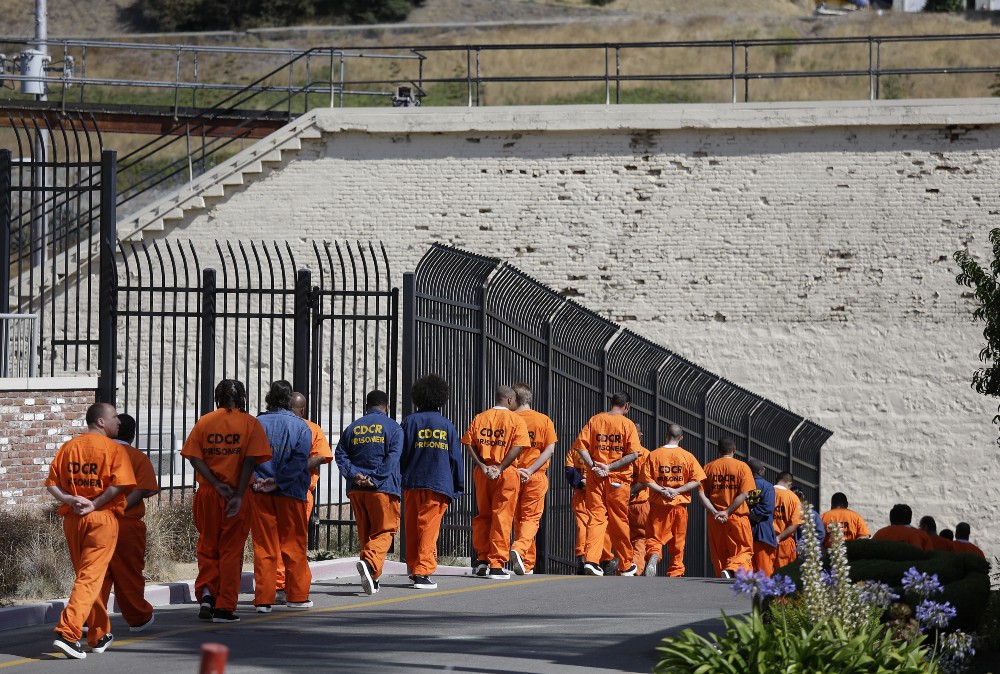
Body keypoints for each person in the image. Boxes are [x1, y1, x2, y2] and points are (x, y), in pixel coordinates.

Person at [45, 402, 136, 659]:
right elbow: (121, 485)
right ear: (100, 422)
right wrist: (95, 502)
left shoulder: (69, 447)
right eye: (115, 417)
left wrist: (71, 499)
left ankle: (98, 634)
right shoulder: (113, 449)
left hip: (74, 519)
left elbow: (52, 484)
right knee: (90, 578)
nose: (119, 421)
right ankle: (68, 632)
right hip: (101, 519)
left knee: (87, 577)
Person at [182, 379, 272, 623]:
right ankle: (224, 607)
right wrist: (238, 494)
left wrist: (215, 483)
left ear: (217, 398)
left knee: (208, 545)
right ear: (242, 398)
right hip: (237, 493)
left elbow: (193, 457)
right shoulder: (249, 423)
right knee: (231, 551)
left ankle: (208, 594)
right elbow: (250, 462)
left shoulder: (205, 421)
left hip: (208, 494)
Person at [250, 380, 314, 613]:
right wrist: (279, 481)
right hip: (291, 493)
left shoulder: (256, 424)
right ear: (290, 401)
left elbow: (248, 457)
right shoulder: (301, 427)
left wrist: (260, 480)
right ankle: (297, 596)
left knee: (265, 548)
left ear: (269, 399)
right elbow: (299, 461)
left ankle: (264, 600)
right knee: (294, 546)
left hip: (260, 493)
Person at [335, 390, 403, 595]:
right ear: (386, 407)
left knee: (367, 534)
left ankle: (373, 579)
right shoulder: (393, 428)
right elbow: (392, 458)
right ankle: (371, 565)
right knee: (384, 531)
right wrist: (374, 478)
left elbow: (340, 454)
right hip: (382, 488)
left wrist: (355, 475)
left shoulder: (353, 427)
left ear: (366, 406)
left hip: (357, 490)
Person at [400, 374, 464, 589]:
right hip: (438, 482)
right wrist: (458, 485)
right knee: (429, 527)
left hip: (412, 481)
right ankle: (423, 570)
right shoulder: (446, 425)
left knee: (412, 526)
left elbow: (401, 453)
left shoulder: (409, 422)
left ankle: (413, 565)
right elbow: (455, 457)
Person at [461, 385, 529, 579]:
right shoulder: (516, 420)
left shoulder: (480, 418)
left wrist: (483, 467)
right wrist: (499, 468)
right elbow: (518, 447)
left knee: (483, 515)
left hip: (482, 473)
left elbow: (469, 443)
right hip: (505, 472)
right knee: (502, 517)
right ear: (509, 400)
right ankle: (497, 564)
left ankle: (482, 560)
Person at [572, 392, 644, 576]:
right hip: (617, 480)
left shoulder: (596, 420)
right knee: (619, 520)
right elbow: (633, 454)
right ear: (627, 406)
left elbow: (580, 446)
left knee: (596, 519)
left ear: (612, 403)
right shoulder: (628, 425)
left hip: (596, 478)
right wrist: (610, 466)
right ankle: (626, 564)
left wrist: (594, 466)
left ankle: (591, 560)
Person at [100, 413, 159, 634]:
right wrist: (119, 508)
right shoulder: (137, 457)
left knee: (97, 572)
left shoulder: (99, 453)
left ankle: (89, 616)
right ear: (133, 435)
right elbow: (142, 489)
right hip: (126, 522)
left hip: (96, 521)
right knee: (129, 573)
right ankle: (138, 617)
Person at [273, 391, 334, 602]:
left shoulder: (272, 424)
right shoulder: (310, 427)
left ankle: (278, 585)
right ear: (303, 409)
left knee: (274, 541)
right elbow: (320, 456)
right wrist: (296, 468)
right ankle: (290, 587)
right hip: (299, 492)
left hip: (269, 490)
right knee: (294, 543)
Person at [640, 424, 707, 577]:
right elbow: (697, 480)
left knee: (655, 537)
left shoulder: (654, 455)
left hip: (659, 504)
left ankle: (654, 555)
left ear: (666, 436)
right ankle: (676, 570)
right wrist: (676, 490)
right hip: (680, 505)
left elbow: (646, 480)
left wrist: (662, 489)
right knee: (678, 540)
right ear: (681, 438)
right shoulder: (687, 456)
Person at [509, 383, 557, 576]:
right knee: (531, 518)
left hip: (512, 473)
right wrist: (529, 470)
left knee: (517, 519)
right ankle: (520, 550)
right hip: (534, 475)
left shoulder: (509, 419)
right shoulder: (543, 420)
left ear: (514, 399)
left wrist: (518, 469)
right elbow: (550, 449)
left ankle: (527, 563)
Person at [699, 437, 755, 578]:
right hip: (737, 517)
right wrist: (727, 512)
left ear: (718, 450)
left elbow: (701, 494)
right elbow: (743, 494)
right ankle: (731, 570)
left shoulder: (708, 467)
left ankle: (724, 575)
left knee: (719, 553)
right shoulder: (742, 467)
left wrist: (715, 512)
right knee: (744, 550)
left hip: (715, 519)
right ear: (734, 450)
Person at [746, 459, 776, 577]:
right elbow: (767, 508)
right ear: (760, 471)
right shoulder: (767, 486)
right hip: (762, 532)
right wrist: (753, 514)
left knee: (749, 570)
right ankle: (765, 594)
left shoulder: (743, 484)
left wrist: (746, 514)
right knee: (765, 570)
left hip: (745, 531)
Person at [627, 428, 651, 575]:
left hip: (620, 501)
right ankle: (636, 567)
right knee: (640, 537)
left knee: (623, 536)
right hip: (639, 503)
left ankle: (625, 566)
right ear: (640, 435)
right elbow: (646, 479)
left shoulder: (622, 452)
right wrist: (632, 491)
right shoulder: (645, 454)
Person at [564, 446, 590, 575]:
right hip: (597, 493)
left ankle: (581, 557)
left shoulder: (574, 449)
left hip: (580, 493)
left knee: (582, 525)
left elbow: (569, 469)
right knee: (600, 526)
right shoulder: (601, 447)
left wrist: (580, 481)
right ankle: (602, 559)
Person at [773, 472, 801, 569]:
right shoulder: (793, 498)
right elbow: (795, 524)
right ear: (790, 484)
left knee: (765, 576)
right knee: (783, 577)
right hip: (784, 542)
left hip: (765, 540)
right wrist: (779, 538)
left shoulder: (766, 492)